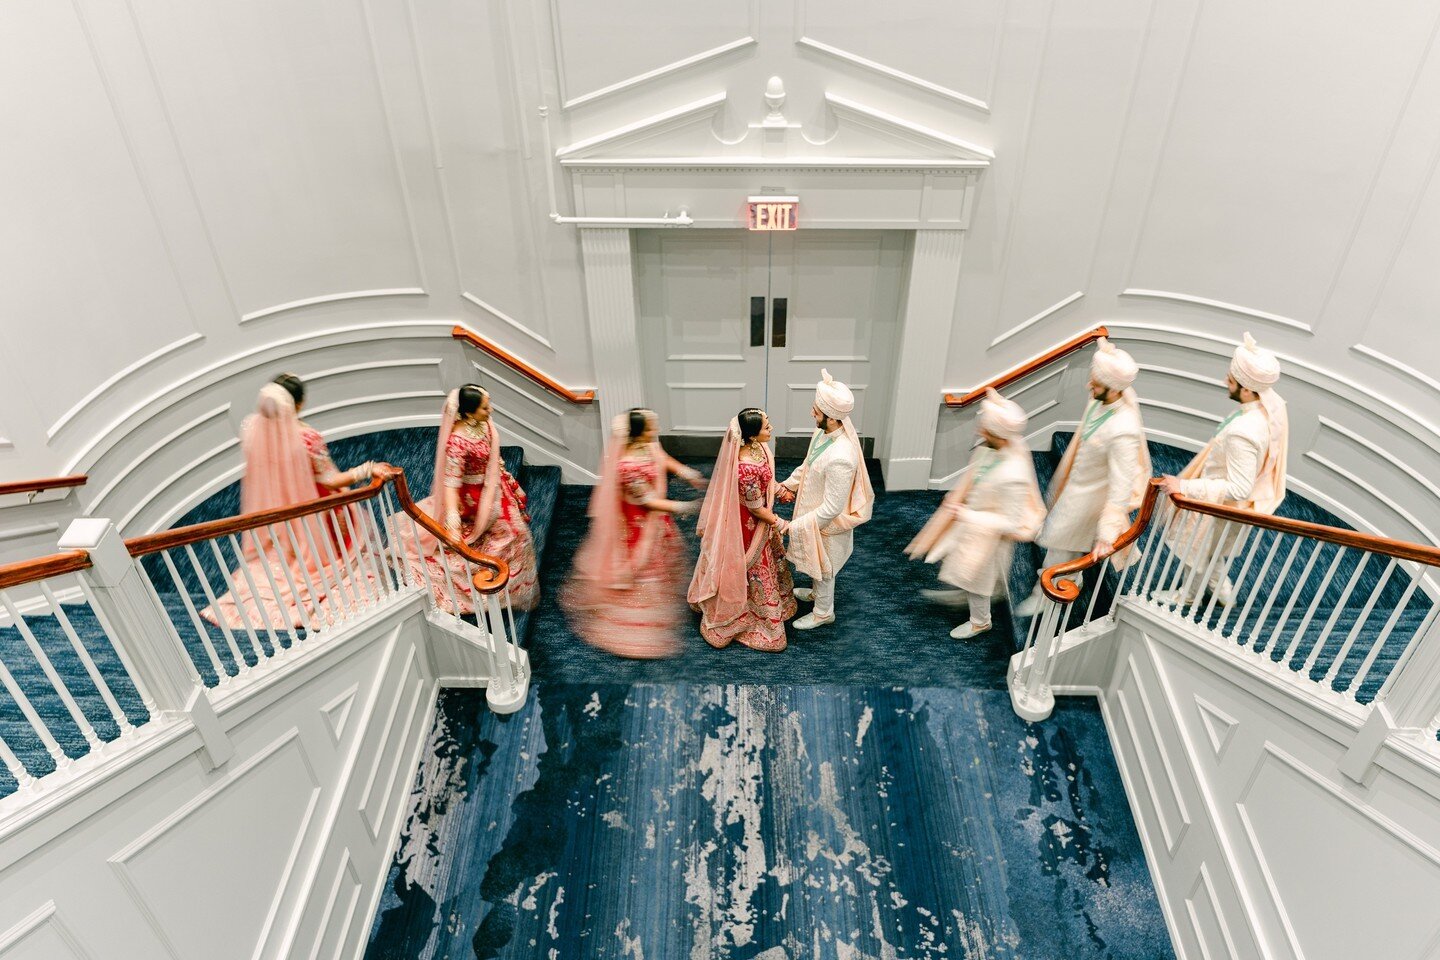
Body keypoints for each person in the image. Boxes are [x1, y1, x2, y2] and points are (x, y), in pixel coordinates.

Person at [203, 375, 380, 630]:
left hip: (275, 512)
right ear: (299, 403)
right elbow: (330, 479)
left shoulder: (253, 430)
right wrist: (366, 470)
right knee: (340, 538)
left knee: (277, 560)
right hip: (314, 511)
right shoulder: (306, 437)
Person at [1016, 338, 1151, 617]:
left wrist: (1107, 532)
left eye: (1096, 383)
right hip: (1077, 486)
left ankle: (1046, 595)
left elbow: (1121, 486)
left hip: (1090, 500)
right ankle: (1068, 580)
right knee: (1064, 541)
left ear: (1114, 388)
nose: (1089, 386)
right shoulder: (1102, 400)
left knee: (1059, 545)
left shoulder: (1124, 430)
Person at [1154, 332, 1289, 607]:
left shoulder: (1244, 431)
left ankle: (1188, 597)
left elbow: (1240, 488)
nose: (1224, 382)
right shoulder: (1261, 412)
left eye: (1230, 379)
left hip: (1222, 504)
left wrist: (1185, 487)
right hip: (1227, 502)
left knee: (1198, 547)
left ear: (1249, 389)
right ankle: (1222, 591)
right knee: (1211, 549)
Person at [561, 409, 705, 658]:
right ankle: (635, 628)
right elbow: (648, 502)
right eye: (652, 426)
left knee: (662, 560)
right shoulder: (626, 465)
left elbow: (661, 457)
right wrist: (685, 506)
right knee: (643, 567)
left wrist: (685, 472)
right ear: (640, 432)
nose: (656, 429)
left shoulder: (646, 444)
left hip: (653, 520)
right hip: (637, 523)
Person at [907, 389, 1046, 639]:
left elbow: (1011, 523)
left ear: (999, 436)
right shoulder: (994, 448)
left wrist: (968, 515)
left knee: (979, 581)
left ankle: (980, 621)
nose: (979, 432)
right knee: (964, 566)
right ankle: (977, 593)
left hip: (990, 538)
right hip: (974, 521)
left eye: (985, 430)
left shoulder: (1013, 475)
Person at [400, 385, 540, 614]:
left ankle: (510, 589)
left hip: (494, 488)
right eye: (485, 407)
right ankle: (485, 589)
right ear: (467, 412)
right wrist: (453, 522)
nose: (490, 410)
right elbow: (451, 485)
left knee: (517, 534)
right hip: (473, 498)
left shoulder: (482, 424)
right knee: (504, 537)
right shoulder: (456, 443)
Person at [689, 408, 797, 652]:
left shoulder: (759, 448)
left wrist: (780, 491)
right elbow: (757, 509)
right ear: (751, 435)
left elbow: (767, 481)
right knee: (752, 566)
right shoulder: (745, 467)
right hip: (747, 525)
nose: (771, 428)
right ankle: (739, 616)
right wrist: (782, 524)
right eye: (766, 426)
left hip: (759, 515)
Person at [778, 370, 874, 630]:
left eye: (816, 411)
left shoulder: (842, 456)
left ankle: (823, 612)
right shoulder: (822, 434)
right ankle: (815, 594)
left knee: (825, 566)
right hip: (812, 512)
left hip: (827, 523)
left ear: (832, 418)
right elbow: (808, 466)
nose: (812, 414)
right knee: (815, 563)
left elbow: (832, 508)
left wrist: (793, 527)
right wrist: (786, 485)